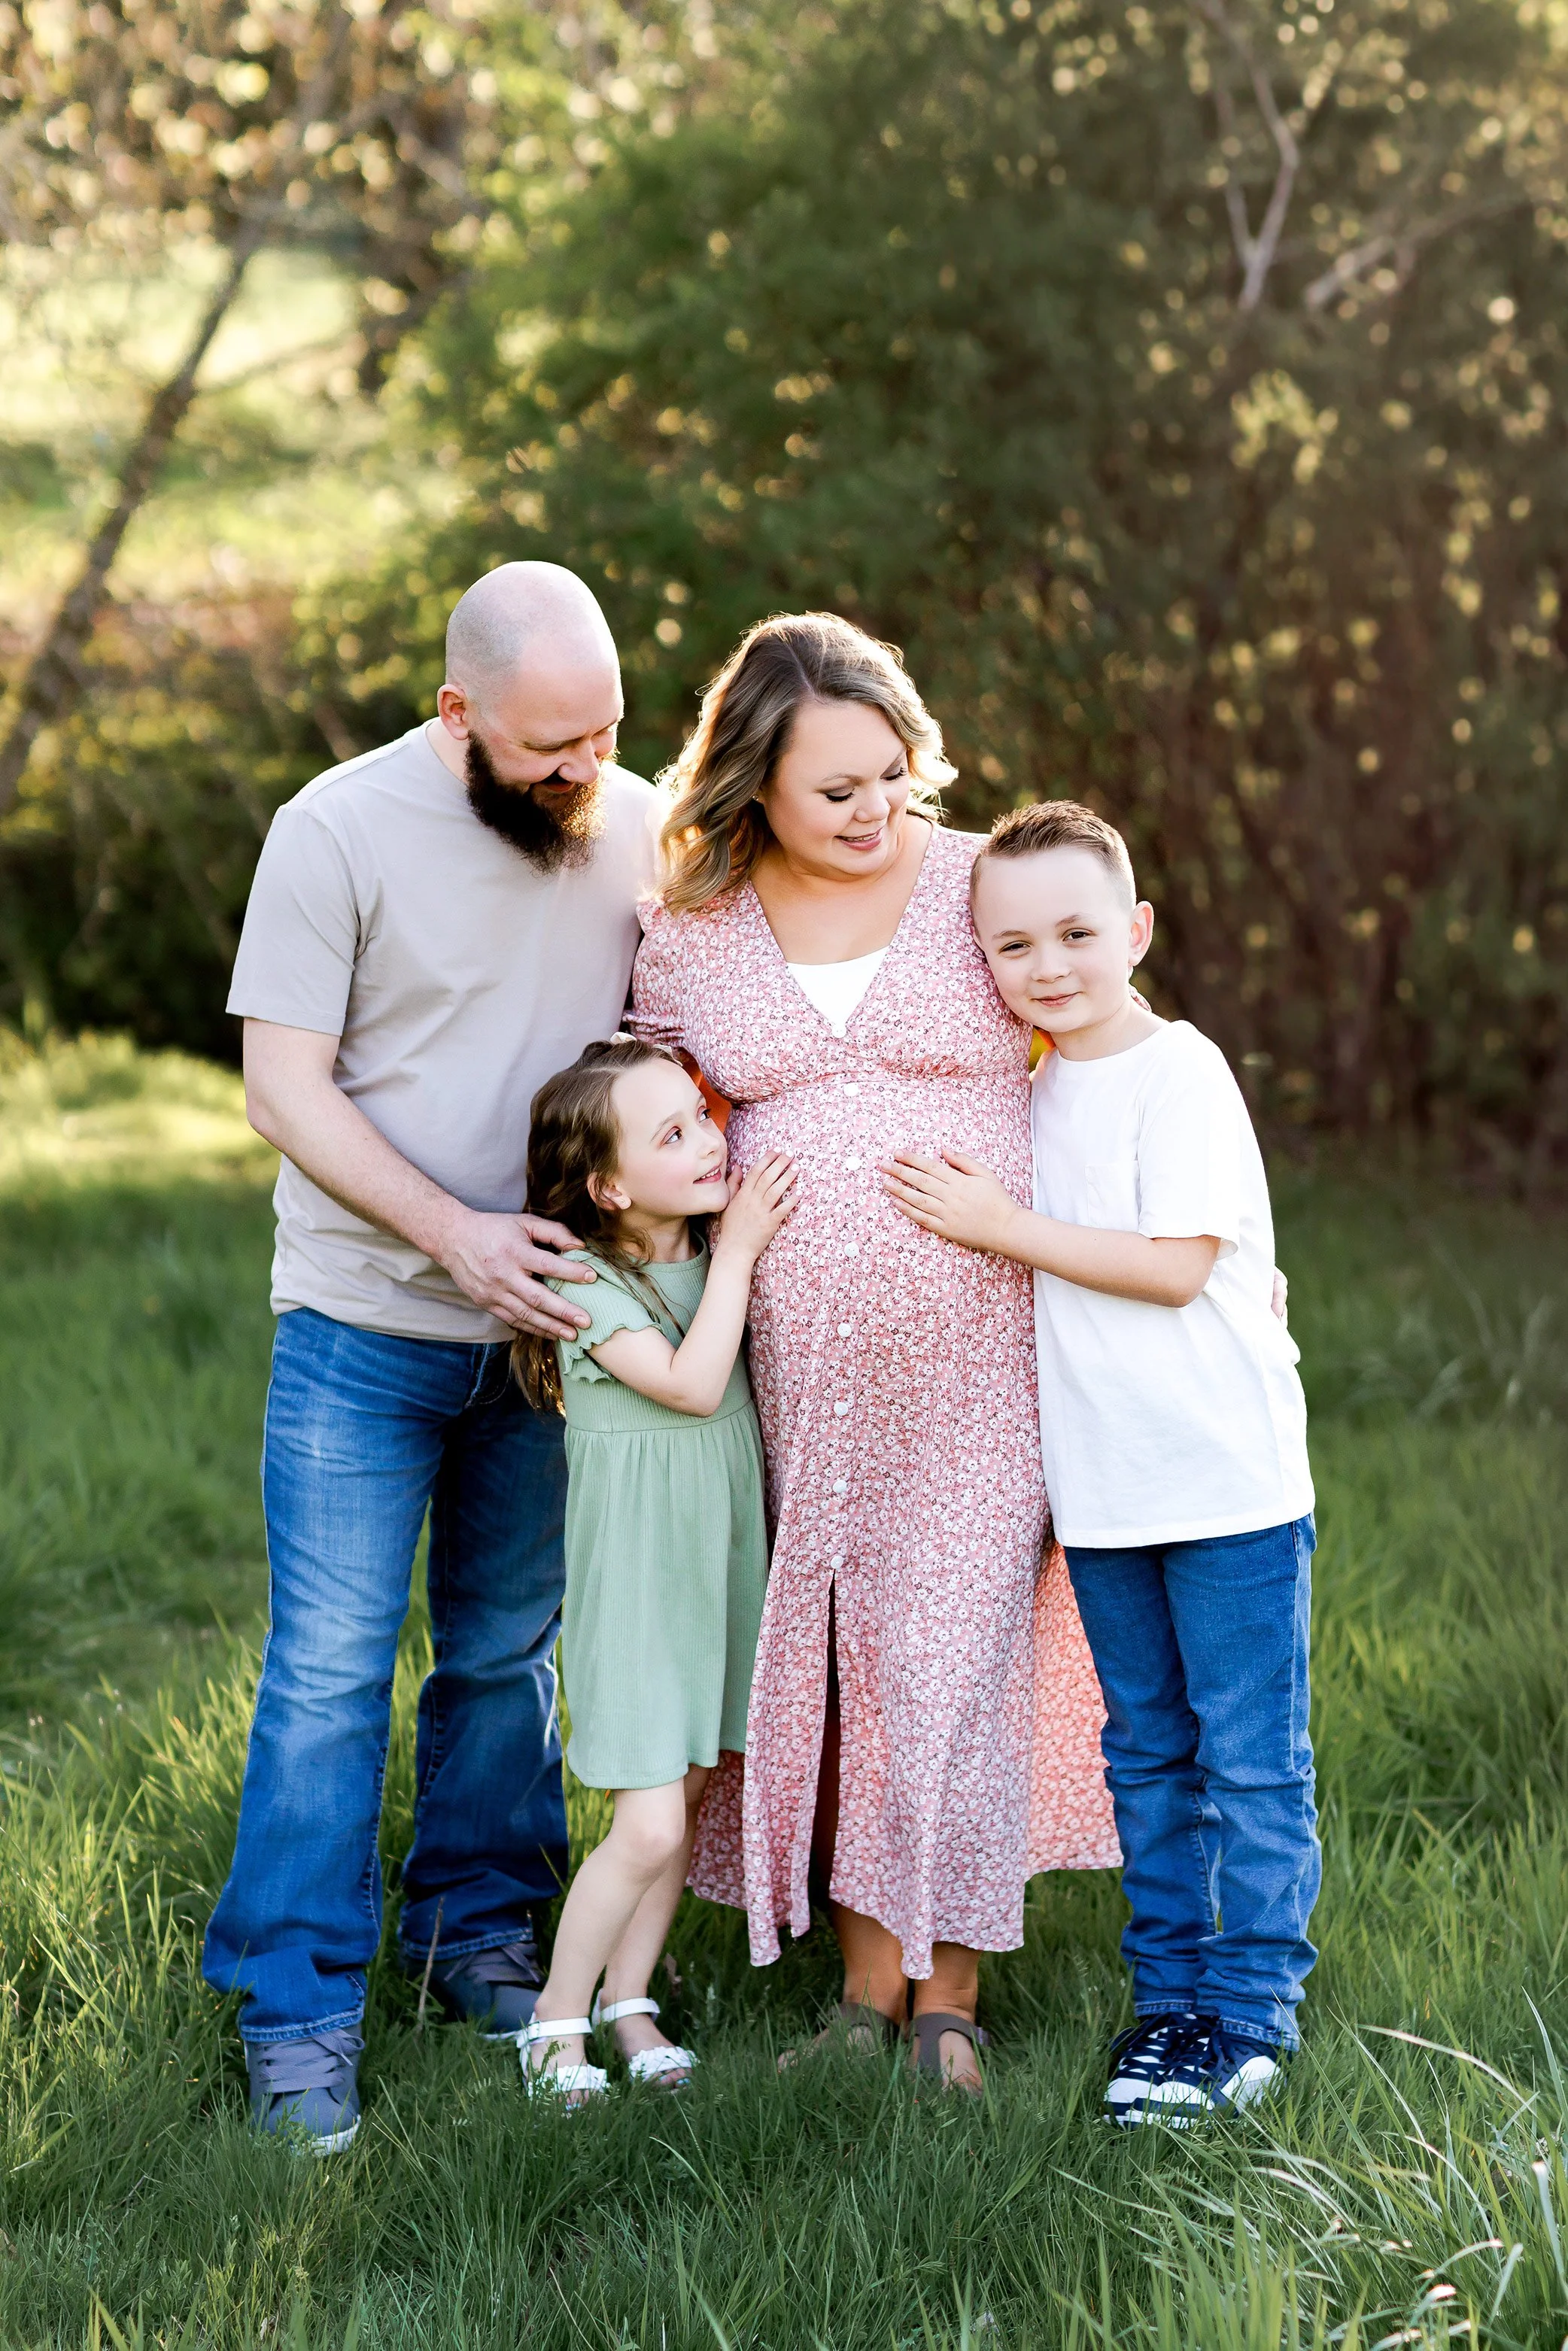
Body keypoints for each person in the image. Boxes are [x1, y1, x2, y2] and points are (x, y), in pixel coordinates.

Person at [205, 563, 663, 2152]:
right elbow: (283, 1088)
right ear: (457, 711)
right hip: (363, 1323)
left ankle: (476, 1935)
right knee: (328, 1673)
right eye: (548, 745)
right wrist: (455, 1235)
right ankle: (296, 2011)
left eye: (605, 733)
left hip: (550, 1338)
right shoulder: (334, 829)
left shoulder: (635, 824)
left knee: (506, 1651)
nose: (583, 770)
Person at [631, 614, 1119, 2098]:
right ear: (753, 786)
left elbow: (1114, 1035)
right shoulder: (693, 927)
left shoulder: (982, 883)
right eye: (834, 788)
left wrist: (1202, 1235)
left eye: (891, 775)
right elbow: (645, 1118)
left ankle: (949, 1997)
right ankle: (861, 1991)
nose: (873, 810)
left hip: (987, 1352)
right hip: (792, 1375)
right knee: (838, 1661)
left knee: (957, 1655)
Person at [882, 797, 1320, 2126]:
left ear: (1135, 930)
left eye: (1076, 933)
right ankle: (1170, 2002)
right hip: (1108, 1495)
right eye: (1013, 945)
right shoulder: (1027, 1091)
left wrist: (996, 1225)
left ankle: (1251, 2014)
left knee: (1249, 1761)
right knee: (1146, 1756)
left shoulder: (1179, 1072)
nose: (1049, 965)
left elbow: (1177, 1269)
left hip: (1225, 1484)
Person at [507, 1037, 796, 2102]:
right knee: (650, 1823)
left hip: (713, 1573)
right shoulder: (586, 1284)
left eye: (702, 1118)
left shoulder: (702, 1251)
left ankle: (629, 2002)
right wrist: (742, 1252)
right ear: (609, 1188)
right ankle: (554, 2022)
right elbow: (690, 1383)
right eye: (671, 1135)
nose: (709, 1142)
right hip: (638, 1589)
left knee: (690, 1790)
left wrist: (733, 1249)